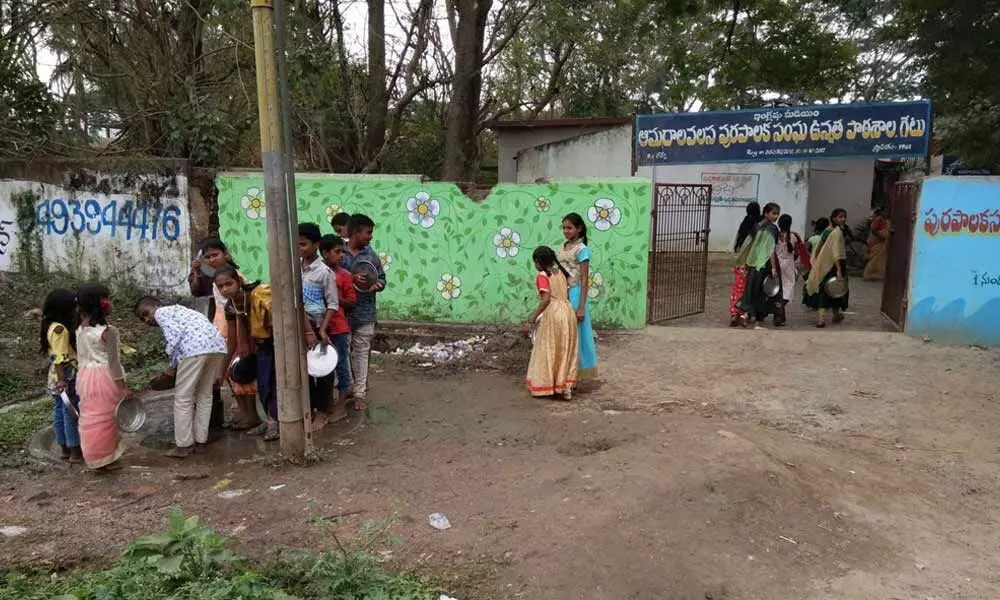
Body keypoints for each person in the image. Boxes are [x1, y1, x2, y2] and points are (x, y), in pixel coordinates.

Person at [214, 266, 317, 441]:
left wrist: (308, 333)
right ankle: (271, 419)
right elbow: (232, 341)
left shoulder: (261, 294)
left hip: (284, 339)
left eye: (228, 284)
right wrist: (222, 370)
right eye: (220, 286)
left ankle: (277, 421)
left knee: (279, 381)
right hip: (263, 345)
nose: (225, 289)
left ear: (238, 282)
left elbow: (293, 306)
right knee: (264, 384)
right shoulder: (231, 306)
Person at [136, 297, 227, 458]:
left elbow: (175, 337)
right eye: (143, 318)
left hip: (194, 349)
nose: (147, 319)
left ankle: (184, 446)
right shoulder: (182, 311)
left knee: (183, 398)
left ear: (155, 306)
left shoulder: (161, 312)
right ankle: (201, 442)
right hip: (216, 347)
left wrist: (172, 366)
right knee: (205, 396)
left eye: (145, 314)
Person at [196, 238, 257, 430]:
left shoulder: (233, 276)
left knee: (240, 371)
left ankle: (251, 415)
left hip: (236, 329)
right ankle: (244, 413)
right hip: (222, 326)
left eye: (215, 254)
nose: (212, 259)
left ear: (226, 254)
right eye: (208, 257)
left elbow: (241, 308)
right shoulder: (216, 279)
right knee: (231, 373)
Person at [75, 283, 129, 471]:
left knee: (91, 416)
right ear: (102, 304)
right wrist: (122, 388)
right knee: (107, 418)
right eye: (109, 298)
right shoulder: (108, 331)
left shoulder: (80, 328)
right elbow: (113, 363)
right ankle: (106, 459)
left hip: (85, 375)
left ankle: (94, 457)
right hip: (105, 377)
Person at [339, 214, 386, 412]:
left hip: (365, 313)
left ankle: (359, 394)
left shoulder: (371, 255)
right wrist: (351, 278)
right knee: (343, 353)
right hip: (343, 314)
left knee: (361, 352)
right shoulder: (339, 254)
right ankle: (347, 388)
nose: (370, 237)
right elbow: (332, 278)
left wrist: (377, 285)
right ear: (356, 232)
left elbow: (383, 278)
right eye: (368, 233)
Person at [299, 222, 339, 430]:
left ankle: (323, 412)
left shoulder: (324, 272)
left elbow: (332, 304)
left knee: (322, 371)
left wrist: (322, 329)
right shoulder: (295, 268)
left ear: (315, 244)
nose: (300, 249)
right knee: (305, 370)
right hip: (299, 327)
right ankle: (310, 408)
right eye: (297, 244)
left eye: (304, 244)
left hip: (318, 327)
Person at [525, 246, 579, 400]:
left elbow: (546, 298)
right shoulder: (561, 272)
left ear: (538, 262)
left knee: (548, 349)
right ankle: (564, 386)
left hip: (554, 314)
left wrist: (532, 318)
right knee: (564, 349)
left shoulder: (542, 275)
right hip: (568, 312)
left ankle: (548, 385)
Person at [41, 289, 82, 463]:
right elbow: (59, 357)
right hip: (65, 373)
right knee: (70, 412)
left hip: (55, 375)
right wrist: (63, 380)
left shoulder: (49, 326)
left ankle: (64, 448)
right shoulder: (61, 330)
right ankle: (75, 451)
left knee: (59, 411)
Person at [320, 235, 356, 422]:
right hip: (319, 326)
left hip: (339, 327)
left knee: (341, 364)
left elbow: (351, 302)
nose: (341, 255)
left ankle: (341, 402)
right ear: (325, 253)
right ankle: (327, 403)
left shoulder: (344, 275)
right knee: (323, 366)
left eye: (342, 251)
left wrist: (333, 297)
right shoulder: (317, 273)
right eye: (337, 251)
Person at [556, 213, 597, 380]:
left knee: (575, 333)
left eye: (569, 228)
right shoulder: (562, 247)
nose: (566, 231)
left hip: (575, 293)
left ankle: (575, 372)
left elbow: (584, 278)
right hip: (561, 292)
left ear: (579, 229)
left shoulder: (582, 250)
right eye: (564, 228)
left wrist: (581, 306)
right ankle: (562, 370)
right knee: (562, 331)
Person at [736, 202, 782, 327]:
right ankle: (754, 316)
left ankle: (746, 315)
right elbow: (770, 249)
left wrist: (744, 261)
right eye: (773, 213)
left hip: (753, 262)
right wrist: (773, 267)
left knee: (751, 289)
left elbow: (748, 244)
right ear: (766, 213)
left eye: (777, 214)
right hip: (764, 263)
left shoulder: (757, 226)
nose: (776, 216)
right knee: (763, 290)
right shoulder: (772, 229)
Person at [805, 208, 850, 328]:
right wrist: (837, 268)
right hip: (832, 265)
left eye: (844, 216)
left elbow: (821, 248)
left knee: (835, 290)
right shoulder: (832, 231)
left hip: (832, 264)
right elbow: (832, 251)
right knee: (829, 290)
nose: (843, 219)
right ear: (834, 218)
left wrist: (817, 260)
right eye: (840, 217)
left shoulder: (838, 231)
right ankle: (821, 319)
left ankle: (834, 315)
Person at [773, 214, 809, 327]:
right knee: (788, 290)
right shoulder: (794, 236)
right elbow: (798, 253)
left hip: (777, 264)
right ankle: (780, 312)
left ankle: (779, 314)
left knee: (778, 290)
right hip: (789, 265)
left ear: (779, 223)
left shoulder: (775, 235)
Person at [729, 202, 761, 326]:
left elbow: (737, 246)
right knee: (750, 290)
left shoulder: (744, 224)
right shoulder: (759, 227)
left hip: (740, 264)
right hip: (753, 264)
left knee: (737, 288)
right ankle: (745, 314)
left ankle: (733, 314)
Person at [863, 208, 890, 281]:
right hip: (877, 242)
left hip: (878, 242)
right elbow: (874, 230)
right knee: (874, 261)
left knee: (876, 261)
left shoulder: (883, 220)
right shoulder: (879, 220)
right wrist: (882, 234)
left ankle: (872, 275)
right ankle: (868, 275)